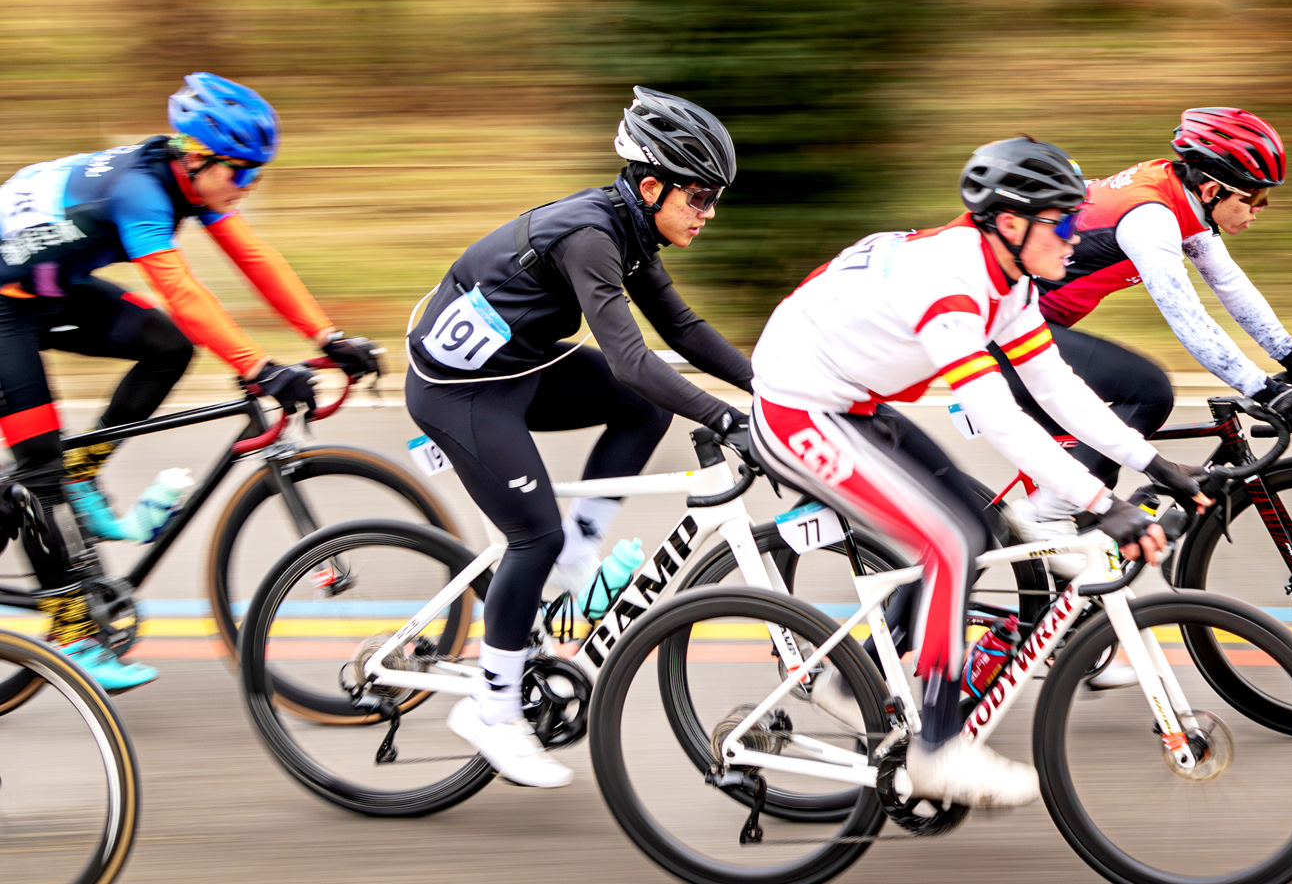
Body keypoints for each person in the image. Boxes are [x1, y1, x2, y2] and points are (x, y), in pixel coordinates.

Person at [749, 138, 1207, 809]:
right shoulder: (951, 283)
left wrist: (1153, 462)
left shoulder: (1009, 279)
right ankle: (938, 750)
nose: (1076, 237)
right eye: (1063, 222)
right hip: (797, 407)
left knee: (977, 527)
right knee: (951, 541)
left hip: (851, 401)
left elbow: (1058, 388)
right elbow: (999, 418)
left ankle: (851, 684)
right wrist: (1102, 501)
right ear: (1011, 223)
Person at [404, 88, 756, 788]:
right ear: (651, 186)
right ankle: (492, 710)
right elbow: (631, 358)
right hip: (461, 394)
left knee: (642, 408)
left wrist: (771, 388)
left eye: (714, 198)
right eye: (698, 197)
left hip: (519, 369)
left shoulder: (630, 229)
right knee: (532, 534)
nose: (708, 213)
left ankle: (578, 547)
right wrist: (726, 418)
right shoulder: (592, 236)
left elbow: (681, 329)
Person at [0, 72, 377, 691]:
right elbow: (181, 290)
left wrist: (326, 336)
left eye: (257, 176)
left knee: (167, 347)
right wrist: (259, 367)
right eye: (242, 174)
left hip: (48, 287)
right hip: (5, 307)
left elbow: (254, 258)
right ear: (198, 157)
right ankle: (71, 637)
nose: (247, 187)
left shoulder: (191, 180)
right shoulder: (141, 192)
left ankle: (83, 474)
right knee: (39, 471)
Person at [1028, 106, 1292, 542]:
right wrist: (1264, 390)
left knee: (1106, 449)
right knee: (1147, 391)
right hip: (1003, 329)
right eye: (1254, 198)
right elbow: (1188, 318)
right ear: (1213, 189)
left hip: (1030, 323)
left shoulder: (1179, 197)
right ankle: (1045, 515)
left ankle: (1069, 531)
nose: (1259, 210)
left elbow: (1229, 285)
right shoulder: (1150, 218)